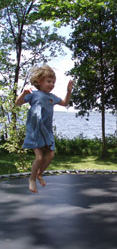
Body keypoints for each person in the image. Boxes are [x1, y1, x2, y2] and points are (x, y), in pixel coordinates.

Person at [15, 65, 74, 193]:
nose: (51, 84)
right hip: (35, 131)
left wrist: (68, 91)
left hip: (46, 132)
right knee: (40, 157)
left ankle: (39, 174)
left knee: (51, 155)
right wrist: (23, 93)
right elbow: (18, 103)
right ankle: (31, 179)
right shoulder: (33, 94)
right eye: (48, 81)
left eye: (53, 82)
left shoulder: (52, 97)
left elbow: (64, 103)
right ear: (39, 82)